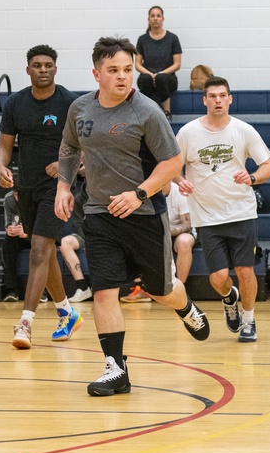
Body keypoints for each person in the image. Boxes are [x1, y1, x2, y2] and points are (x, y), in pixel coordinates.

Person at [55, 36, 210, 397]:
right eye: (114, 71)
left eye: (127, 69)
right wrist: (64, 186)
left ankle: (185, 306)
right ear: (97, 74)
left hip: (143, 214)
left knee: (161, 291)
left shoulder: (147, 112)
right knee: (105, 292)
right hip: (98, 213)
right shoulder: (79, 109)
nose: (123, 77)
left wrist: (139, 192)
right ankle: (115, 368)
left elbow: (172, 163)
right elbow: (68, 146)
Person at [175, 76, 270, 342]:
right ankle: (229, 298)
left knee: (245, 271)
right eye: (212, 96)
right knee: (219, 278)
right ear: (204, 100)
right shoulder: (187, 133)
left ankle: (249, 321)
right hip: (206, 216)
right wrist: (179, 180)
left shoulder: (244, 130)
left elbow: (269, 167)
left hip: (241, 212)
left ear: (229, 99)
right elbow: (172, 166)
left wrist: (252, 177)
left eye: (222, 95)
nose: (218, 100)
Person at [0, 44, 82, 349]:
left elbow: (86, 146)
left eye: (48, 65)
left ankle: (25, 323)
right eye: (37, 65)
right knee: (44, 253)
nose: (43, 69)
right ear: (28, 69)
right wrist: (0, 166)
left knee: (38, 249)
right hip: (26, 187)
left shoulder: (70, 103)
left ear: (56, 68)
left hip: (58, 189)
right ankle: (66, 312)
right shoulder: (16, 103)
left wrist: (65, 164)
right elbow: (5, 145)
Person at [136, 5, 182, 117]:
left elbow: (177, 64)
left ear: (162, 19)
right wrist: (151, 74)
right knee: (145, 79)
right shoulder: (142, 39)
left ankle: (167, 112)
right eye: (152, 16)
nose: (155, 18)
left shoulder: (172, 38)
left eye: (158, 16)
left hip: (168, 78)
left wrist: (160, 74)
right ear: (148, 19)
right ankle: (144, 112)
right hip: (148, 77)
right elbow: (137, 64)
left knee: (161, 78)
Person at [59, 165, 92, 303]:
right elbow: (77, 223)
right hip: (87, 234)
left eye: (85, 165)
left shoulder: (109, 191)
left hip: (109, 233)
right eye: (81, 166)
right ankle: (83, 287)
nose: (83, 168)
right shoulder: (79, 197)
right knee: (64, 242)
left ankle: (139, 286)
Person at [0, 189, 30, 302]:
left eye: (20, 194)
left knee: (40, 245)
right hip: (19, 236)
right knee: (7, 243)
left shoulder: (35, 198)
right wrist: (10, 229)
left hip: (35, 236)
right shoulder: (9, 199)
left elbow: (41, 227)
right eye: (16, 194)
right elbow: (8, 221)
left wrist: (27, 233)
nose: (18, 198)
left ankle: (42, 292)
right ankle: (11, 289)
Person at [165, 181, 195, 285]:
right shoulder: (146, 192)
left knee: (184, 241)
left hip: (178, 232)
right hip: (156, 232)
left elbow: (188, 225)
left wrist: (169, 231)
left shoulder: (179, 192)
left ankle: (180, 287)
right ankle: (141, 288)